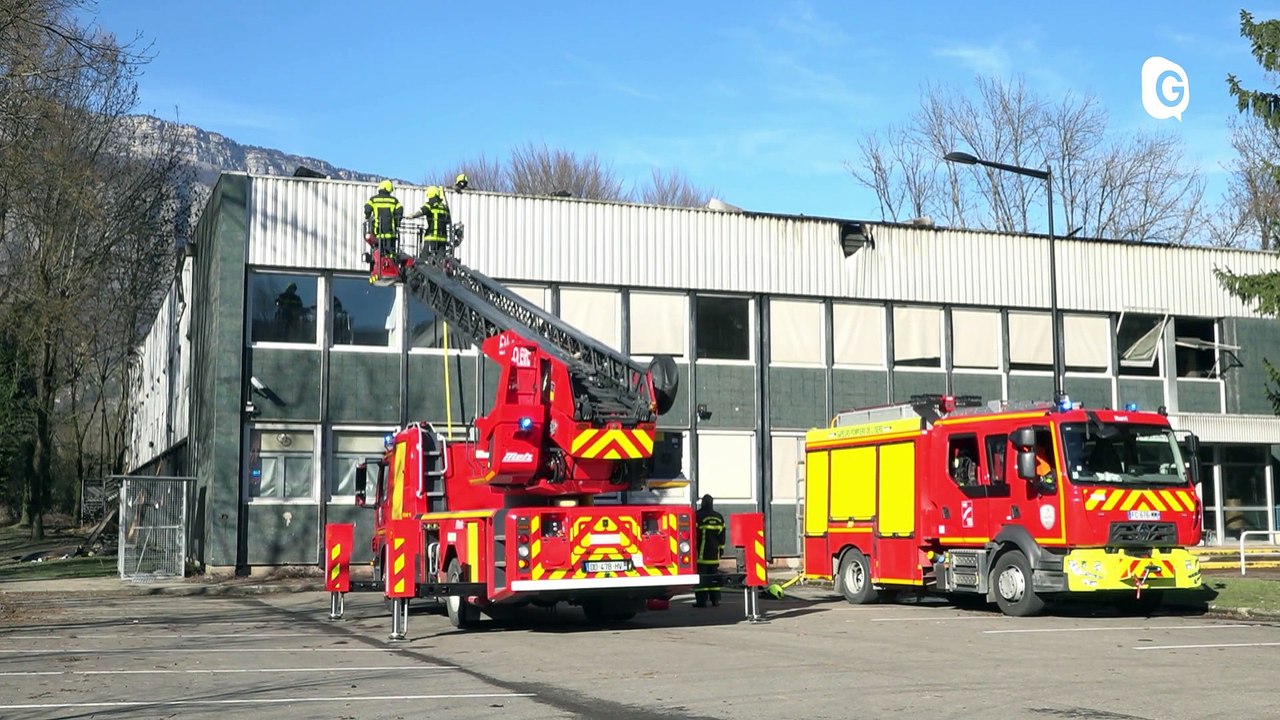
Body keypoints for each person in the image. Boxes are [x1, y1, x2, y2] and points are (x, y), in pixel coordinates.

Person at [693, 494, 726, 608]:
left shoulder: (697, 516)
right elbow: (722, 536)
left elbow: (694, 535)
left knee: (702, 577)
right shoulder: (719, 517)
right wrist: (721, 550)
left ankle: (701, 601)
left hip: (701, 553)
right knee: (714, 577)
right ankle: (715, 600)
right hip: (714, 554)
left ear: (702, 503)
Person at [364, 180, 404, 259]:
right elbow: (400, 210)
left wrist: (367, 216)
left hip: (377, 232)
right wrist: (397, 223)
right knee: (390, 254)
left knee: (378, 253)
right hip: (390, 233)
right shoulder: (394, 201)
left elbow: (367, 209)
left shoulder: (373, 200)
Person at [409, 185, 452, 258]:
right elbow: (448, 221)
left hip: (431, 237)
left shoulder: (430, 204)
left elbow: (421, 212)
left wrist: (411, 216)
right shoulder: (444, 207)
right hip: (443, 238)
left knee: (425, 259)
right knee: (440, 261)